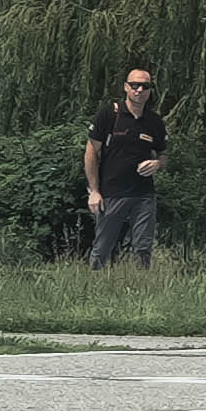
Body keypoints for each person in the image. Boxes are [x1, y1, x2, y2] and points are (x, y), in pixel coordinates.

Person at [81, 65, 166, 268]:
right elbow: (91, 152)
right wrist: (94, 191)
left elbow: (164, 155)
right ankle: (93, 281)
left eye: (144, 86)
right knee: (103, 247)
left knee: (143, 247)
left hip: (143, 194)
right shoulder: (109, 114)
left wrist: (157, 163)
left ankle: (141, 283)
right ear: (126, 87)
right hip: (112, 192)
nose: (139, 90)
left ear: (150, 90)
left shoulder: (154, 121)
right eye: (134, 85)